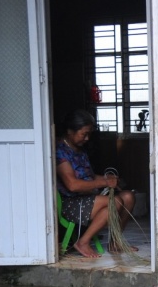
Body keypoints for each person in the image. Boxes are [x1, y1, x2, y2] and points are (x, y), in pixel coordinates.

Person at [56, 109, 136, 258]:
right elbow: (73, 185)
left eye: (89, 134)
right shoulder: (60, 152)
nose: (87, 138)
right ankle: (83, 242)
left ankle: (115, 242)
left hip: (89, 198)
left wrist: (109, 179)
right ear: (69, 131)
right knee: (116, 201)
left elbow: (90, 176)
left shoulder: (79, 150)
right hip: (72, 204)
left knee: (129, 196)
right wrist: (103, 182)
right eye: (83, 134)